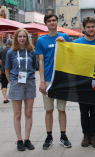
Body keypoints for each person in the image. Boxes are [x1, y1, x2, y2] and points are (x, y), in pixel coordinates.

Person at [35, 13, 72, 149]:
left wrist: (65, 44)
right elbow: (40, 61)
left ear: (57, 22)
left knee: (61, 109)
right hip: (48, 80)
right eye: (49, 21)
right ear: (46, 23)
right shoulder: (41, 40)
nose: (52, 23)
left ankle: (63, 135)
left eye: (54, 20)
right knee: (48, 110)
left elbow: (71, 55)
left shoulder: (64, 37)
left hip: (61, 79)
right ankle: (49, 136)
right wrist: (42, 81)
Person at [74, 16, 95, 148]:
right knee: (83, 110)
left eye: (93, 26)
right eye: (88, 27)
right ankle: (85, 135)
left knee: (94, 111)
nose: (91, 29)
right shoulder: (76, 43)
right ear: (83, 28)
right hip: (81, 81)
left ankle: (94, 136)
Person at [5, 28, 37, 151]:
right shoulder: (11, 52)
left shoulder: (31, 51)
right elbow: (7, 69)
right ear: (16, 38)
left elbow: (34, 68)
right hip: (16, 82)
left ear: (27, 38)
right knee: (17, 114)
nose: (22, 38)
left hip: (29, 82)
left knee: (28, 113)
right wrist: (12, 81)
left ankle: (27, 139)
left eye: (24, 36)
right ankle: (19, 140)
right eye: (20, 36)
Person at [0, 39, 13, 103]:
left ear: (6, 44)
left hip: (4, 70)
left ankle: (5, 98)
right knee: (13, 83)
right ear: (12, 44)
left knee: (4, 84)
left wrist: (1, 63)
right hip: (12, 70)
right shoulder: (13, 50)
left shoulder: (2, 50)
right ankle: (13, 96)